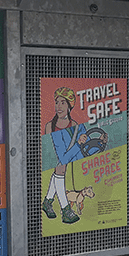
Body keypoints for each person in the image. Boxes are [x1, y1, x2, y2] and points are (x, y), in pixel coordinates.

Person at [42, 87, 88, 224]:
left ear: (69, 105)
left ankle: (47, 202)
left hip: (68, 158)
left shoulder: (75, 125)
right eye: (57, 102)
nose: (58, 106)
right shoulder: (50, 126)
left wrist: (87, 140)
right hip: (57, 158)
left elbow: (84, 147)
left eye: (63, 102)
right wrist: (78, 144)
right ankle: (66, 209)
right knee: (60, 169)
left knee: (60, 170)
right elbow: (57, 155)